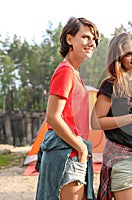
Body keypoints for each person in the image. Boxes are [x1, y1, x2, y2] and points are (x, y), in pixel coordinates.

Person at [35, 17, 99, 200]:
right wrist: (81, 148)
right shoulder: (66, 71)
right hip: (66, 154)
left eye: (94, 39)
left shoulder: (74, 72)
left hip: (72, 152)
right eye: (86, 37)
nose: (91, 43)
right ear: (69, 39)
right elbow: (53, 117)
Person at [92, 32, 132, 200]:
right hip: (122, 159)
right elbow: (95, 122)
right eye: (128, 53)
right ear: (118, 59)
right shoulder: (111, 85)